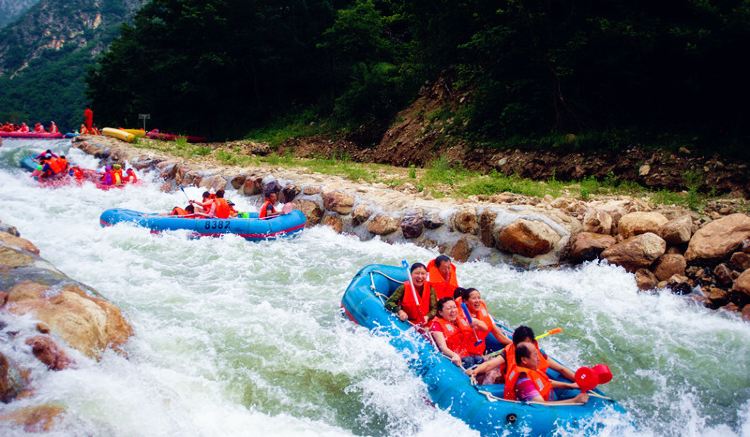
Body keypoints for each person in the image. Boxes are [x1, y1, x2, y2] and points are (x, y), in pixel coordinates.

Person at [466, 325, 576, 385]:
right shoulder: (509, 352)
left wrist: (578, 381)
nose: (526, 347)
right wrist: (476, 371)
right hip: (514, 383)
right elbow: (490, 364)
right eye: (523, 344)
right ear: (515, 344)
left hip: (534, 384)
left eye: (528, 343)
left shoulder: (538, 353)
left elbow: (561, 369)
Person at [504, 342, 588, 404]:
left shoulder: (530, 369)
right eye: (535, 355)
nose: (539, 358)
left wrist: (570, 386)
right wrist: (574, 401)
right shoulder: (524, 381)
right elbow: (541, 405)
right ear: (524, 360)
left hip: (550, 397)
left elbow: (545, 383)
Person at [454, 287, 511, 357]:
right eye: (474, 298)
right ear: (465, 301)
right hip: (467, 352)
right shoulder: (457, 316)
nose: (477, 301)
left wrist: (515, 344)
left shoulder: (483, 313)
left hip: (481, 345)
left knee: (499, 344)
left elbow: (498, 335)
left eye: (479, 298)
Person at [430, 297, 484, 368]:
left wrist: (477, 323)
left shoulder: (461, 319)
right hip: (452, 358)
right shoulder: (437, 325)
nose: (453, 311)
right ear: (440, 312)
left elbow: (484, 327)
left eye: (454, 307)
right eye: (449, 308)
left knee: (479, 359)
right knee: (469, 361)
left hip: (466, 354)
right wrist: (454, 355)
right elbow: (443, 348)